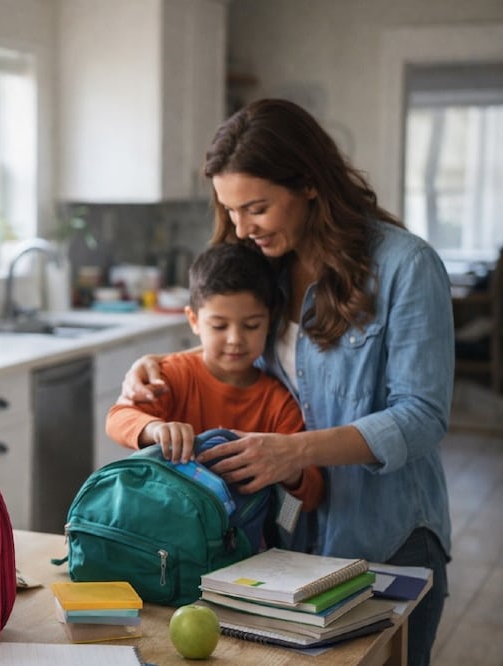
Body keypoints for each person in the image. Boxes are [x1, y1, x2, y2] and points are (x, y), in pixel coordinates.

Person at [121, 98, 452, 666]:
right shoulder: (263, 266)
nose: (242, 228)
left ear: (310, 184)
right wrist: (158, 363)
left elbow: (421, 416)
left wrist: (294, 451)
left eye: (257, 208)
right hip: (283, 546)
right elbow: (245, 348)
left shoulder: (406, 266)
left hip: (387, 536)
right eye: (231, 210)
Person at [106, 242, 323, 520]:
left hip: (247, 540)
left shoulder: (279, 404)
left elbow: (310, 496)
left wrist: (289, 470)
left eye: (251, 325)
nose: (235, 339)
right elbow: (117, 418)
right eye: (219, 326)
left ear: (270, 321)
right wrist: (155, 428)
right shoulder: (174, 376)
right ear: (194, 320)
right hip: (168, 529)